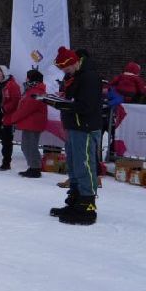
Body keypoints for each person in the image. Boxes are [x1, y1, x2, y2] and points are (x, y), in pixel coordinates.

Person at [45, 47, 103, 225]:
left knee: (84, 165)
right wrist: (58, 99)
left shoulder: (89, 77)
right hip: (73, 126)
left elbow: (86, 106)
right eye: (63, 70)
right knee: (74, 165)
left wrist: (61, 104)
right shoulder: (74, 75)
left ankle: (87, 205)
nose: (65, 72)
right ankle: (76, 200)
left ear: (76, 62)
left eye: (68, 68)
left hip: (85, 127)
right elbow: (71, 97)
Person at [6, 69, 47, 178]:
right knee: (28, 146)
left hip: (32, 123)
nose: (26, 79)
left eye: (27, 77)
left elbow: (26, 109)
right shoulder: (34, 90)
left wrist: (12, 119)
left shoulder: (36, 92)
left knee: (29, 146)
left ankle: (35, 168)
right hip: (31, 123)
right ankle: (34, 166)